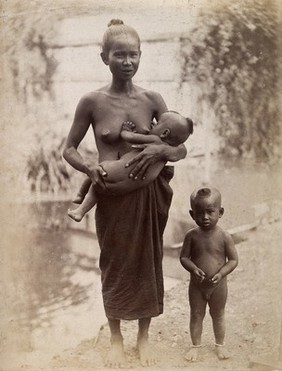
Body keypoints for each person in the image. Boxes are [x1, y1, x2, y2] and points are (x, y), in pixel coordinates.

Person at [63, 19, 188, 368]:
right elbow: (68, 149)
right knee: (114, 265)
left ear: (140, 56)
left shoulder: (152, 99)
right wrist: (89, 169)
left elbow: (179, 147)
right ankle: (117, 338)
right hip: (111, 197)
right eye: (120, 54)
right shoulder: (91, 101)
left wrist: (158, 151)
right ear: (104, 58)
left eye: (133, 54)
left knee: (147, 263)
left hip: (148, 196)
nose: (128, 61)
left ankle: (143, 338)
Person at [68, 111, 193, 222]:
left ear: (165, 133)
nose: (153, 124)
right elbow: (180, 149)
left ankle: (80, 199)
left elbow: (130, 138)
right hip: (129, 184)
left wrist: (125, 130)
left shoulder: (154, 140)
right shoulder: (168, 153)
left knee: (97, 176)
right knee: (98, 184)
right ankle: (80, 208)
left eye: (157, 123)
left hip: (117, 173)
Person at [180, 187, 238, 362]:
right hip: (197, 286)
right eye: (199, 213)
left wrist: (221, 274)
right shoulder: (191, 236)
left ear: (220, 212)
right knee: (196, 314)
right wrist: (193, 268)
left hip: (218, 285)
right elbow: (183, 257)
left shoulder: (224, 236)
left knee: (218, 314)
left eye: (210, 212)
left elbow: (233, 260)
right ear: (192, 215)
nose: (204, 217)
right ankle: (195, 346)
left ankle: (220, 345)